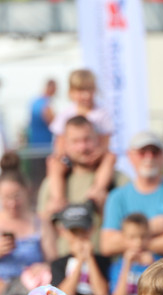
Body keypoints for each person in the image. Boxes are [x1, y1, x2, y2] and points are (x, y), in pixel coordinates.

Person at [38, 116, 128, 254]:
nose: (82, 147)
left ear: (97, 140)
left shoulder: (119, 179)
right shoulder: (51, 183)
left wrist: (106, 209)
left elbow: (132, 229)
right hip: (65, 267)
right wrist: (48, 215)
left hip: (104, 265)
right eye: (75, 141)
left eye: (87, 139)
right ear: (65, 144)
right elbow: (45, 235)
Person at [100, 132, 163, 258]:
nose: (149, 157)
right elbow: (108, 244)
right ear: (130, 156)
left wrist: (131, 239)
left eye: (154, 152)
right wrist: (149, 228)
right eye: (142, 152)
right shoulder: (117, 197)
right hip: (130, 275)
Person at [45, 70, 116, 219]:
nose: (85, 95)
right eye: (80, 91)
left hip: (96, 157)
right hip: (71, 159)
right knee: (53, 163)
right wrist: (63, 156)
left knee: (110, 158)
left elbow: (105, 143)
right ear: (71, 93)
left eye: (88, 90)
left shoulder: (101, 114)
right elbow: (60, 142)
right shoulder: (66, 113)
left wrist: (97, 154)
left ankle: (98, 189)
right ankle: (58, 198)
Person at [0, 153, 57, 295]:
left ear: (27, 190)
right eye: (6, 197)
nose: (12, 203)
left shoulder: (40, 223)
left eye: (16, 196)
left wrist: (44, 267)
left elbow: (55, 262)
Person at [110, 213, 157, 295]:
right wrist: (127, 265)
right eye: (132, 237)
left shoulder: (158, 264)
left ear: (149, 237)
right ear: (123, 238)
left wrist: (152, 267)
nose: (138, 242)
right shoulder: (118, 266)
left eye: (143, 237)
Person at [50, 204, 111, 295]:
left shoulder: (102, 261)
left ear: (91, 229)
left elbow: (101, 293)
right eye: (74, 232)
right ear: (63, 232)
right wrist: (80, 261)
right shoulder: (58, 264)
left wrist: (90, 258)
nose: (79, 236)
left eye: (83, 231)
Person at [26, 79, 56, 151]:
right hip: (44, 145)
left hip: (34, 143)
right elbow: (53, 123)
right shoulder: (45, 104)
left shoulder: (35, 101)